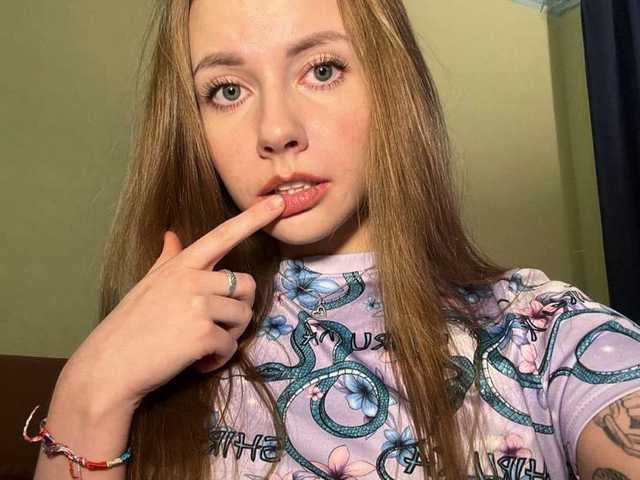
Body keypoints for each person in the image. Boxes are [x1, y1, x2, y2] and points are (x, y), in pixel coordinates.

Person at [27, 0, 640, 479]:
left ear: (391, 85)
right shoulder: (154, 346)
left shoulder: (544, 333)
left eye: (322, 70)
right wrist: (92, 391)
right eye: (228, 90)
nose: (276, 130)